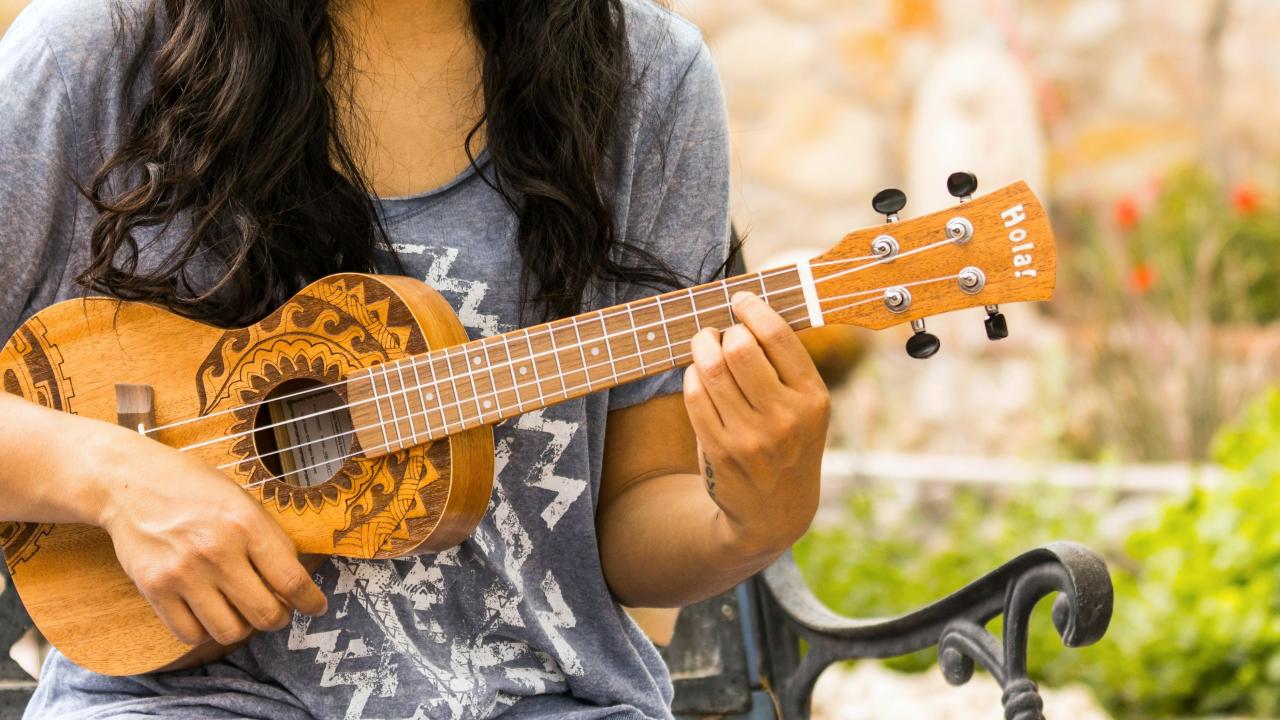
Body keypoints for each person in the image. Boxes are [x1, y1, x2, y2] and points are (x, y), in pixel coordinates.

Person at [0, 0, 830, 717]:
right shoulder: (97, 53)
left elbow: (635, 515)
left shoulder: (646, 76)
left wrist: (757, 519)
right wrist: (111, 475)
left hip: (543, 701)